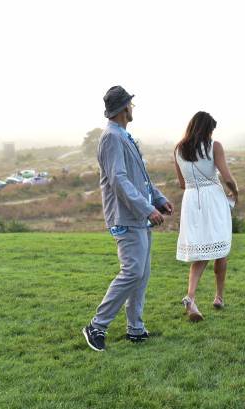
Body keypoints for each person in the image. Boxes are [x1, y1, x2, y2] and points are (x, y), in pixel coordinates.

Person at [82, 86, 173, 351]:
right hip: (126, 215)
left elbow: (141, 178)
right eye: (131, 105)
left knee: (141, 274)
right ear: (124, 108)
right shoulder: (111, 137)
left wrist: (158, 199)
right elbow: (119, 180)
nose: (133, 109)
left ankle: (135, 328)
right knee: (132, 271)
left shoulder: (124, 136)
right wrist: (147, 209)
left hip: (138, 215)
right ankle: (96, 326)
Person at [174, 112, 238, 321]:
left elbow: (182, 184)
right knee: (221, 246)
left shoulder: (179, 149)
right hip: (213, 198)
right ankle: (218, 296)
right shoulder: (214, 146)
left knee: (200, 252)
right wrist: (235, 192)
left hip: (191, 200)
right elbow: (227, 177)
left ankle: (191, 297)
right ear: (207, 129)